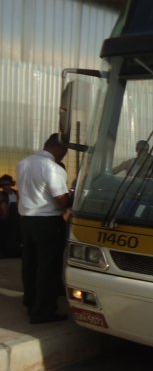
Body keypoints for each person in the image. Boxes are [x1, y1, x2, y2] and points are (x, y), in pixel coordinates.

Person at [16, 133, 73, 324]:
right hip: (47, 222)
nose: (64, 155)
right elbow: (60, 199)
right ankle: (43, 312)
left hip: (26, 220)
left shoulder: (24, 162)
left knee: (30, 263)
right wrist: (72, 198)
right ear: (59, 148)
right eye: (64, 151)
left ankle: (30, 299)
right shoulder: (52, 167)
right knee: (48, 268)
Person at [0, 174, 21, 257]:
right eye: (4, 185)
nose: (6, 187)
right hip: (6, 218)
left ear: (11, 184)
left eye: (7, 184)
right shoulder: (1, 195)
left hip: (17, 217)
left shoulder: (16, 193)